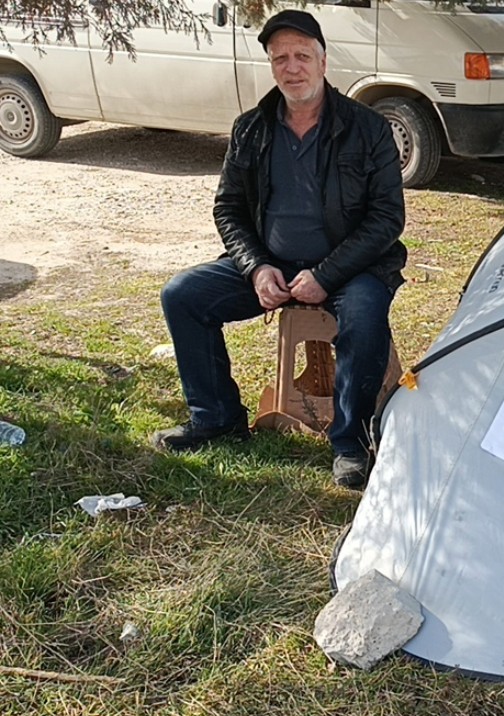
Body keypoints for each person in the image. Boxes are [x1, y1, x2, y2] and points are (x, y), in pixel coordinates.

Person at [151, 10, 407, 491]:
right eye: (280, 58)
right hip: (272, 263)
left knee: (367, 313)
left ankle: (350, 441)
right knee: (183, 295)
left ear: (324, 61)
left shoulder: (367, 128)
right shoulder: (251, 128)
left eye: (302, 56)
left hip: (351, 267)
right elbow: (228, 208)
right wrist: (254, 267)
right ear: (271, 65)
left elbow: (387, 219)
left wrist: (327, 275)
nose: (293, 68)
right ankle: (217, 418)